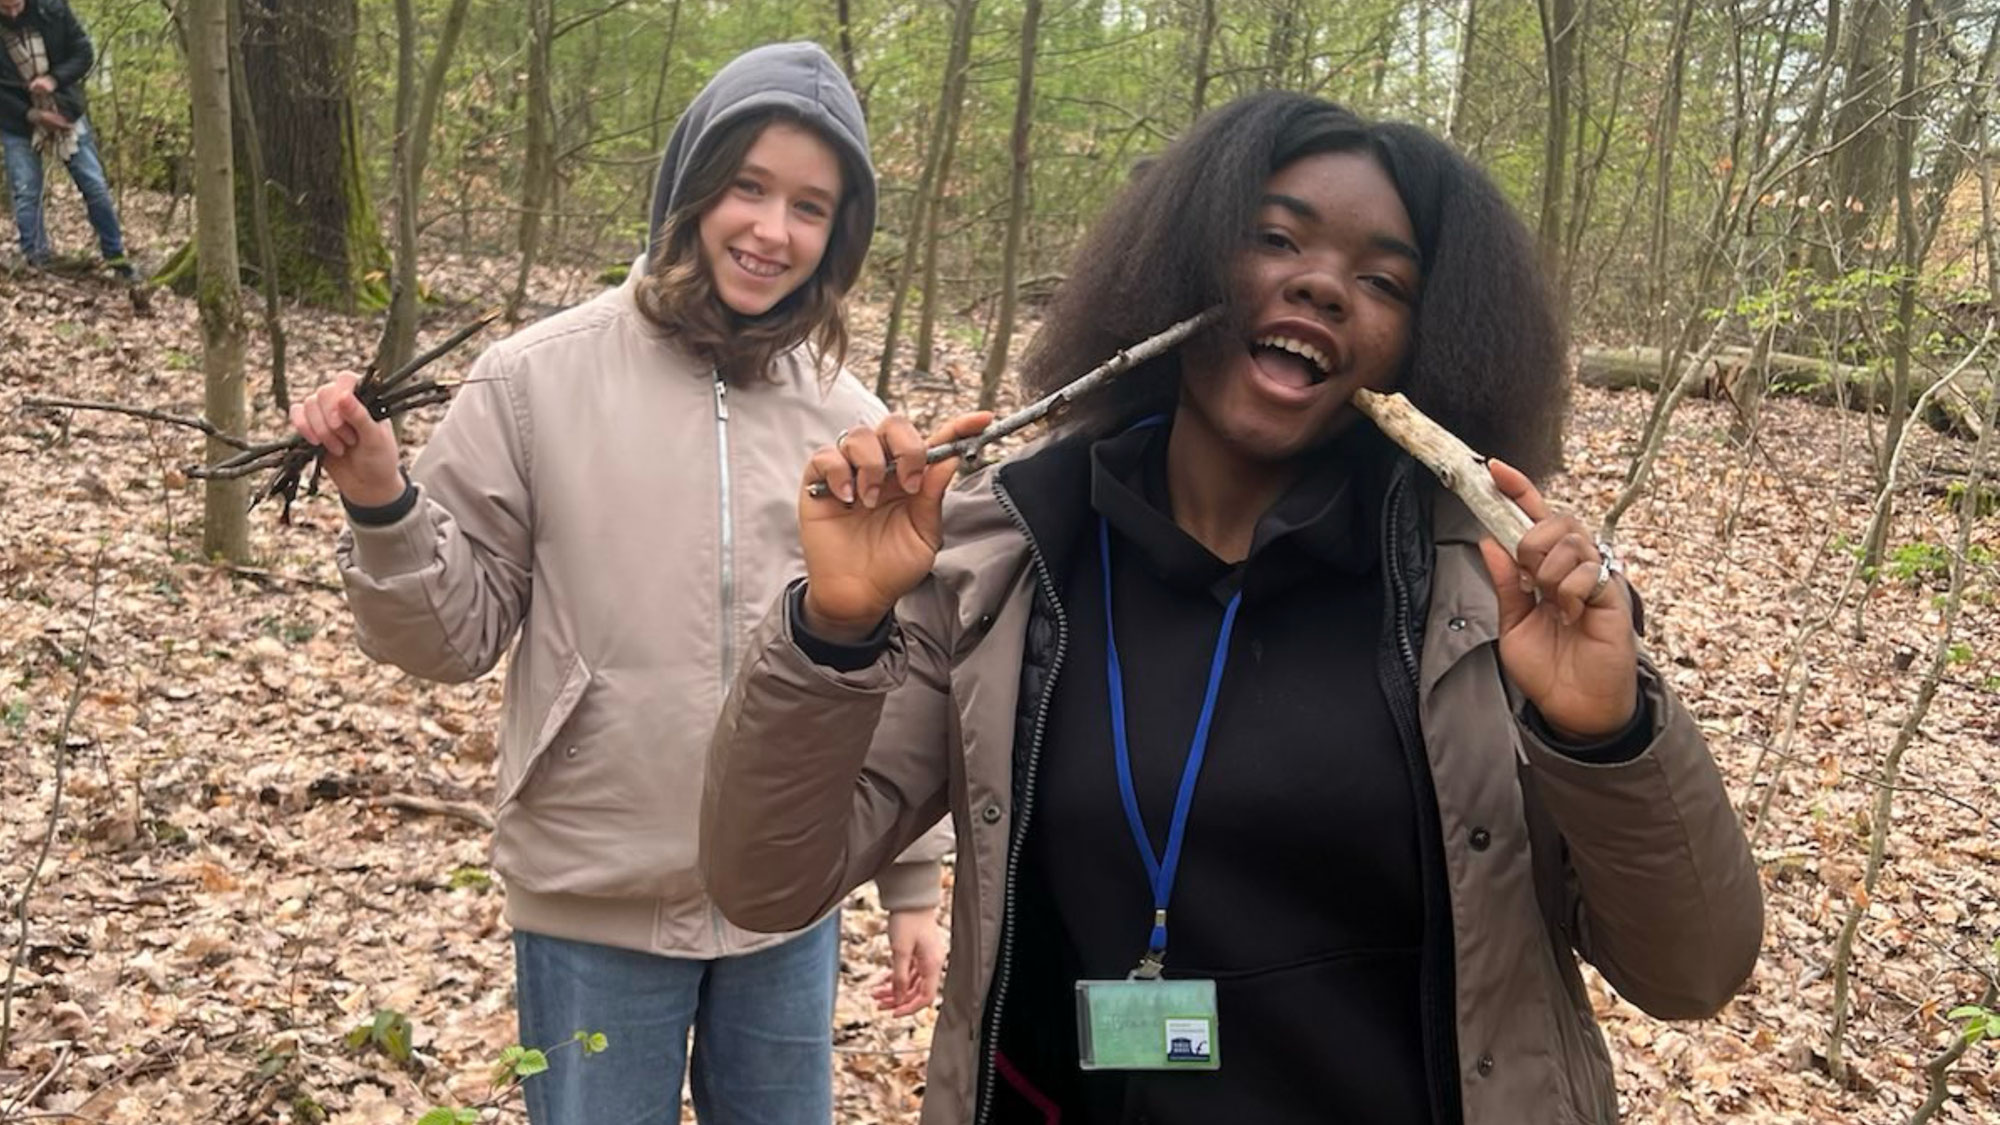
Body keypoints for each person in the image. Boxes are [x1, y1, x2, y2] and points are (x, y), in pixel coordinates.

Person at [701, 91, 1763, 1124]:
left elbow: (1691, 973)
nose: (1323, 285)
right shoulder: (1007, 554)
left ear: (1423, 340)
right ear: (1183, 265)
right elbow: (763, 885)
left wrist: (1607, 734)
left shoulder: (1486, 588)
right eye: (1274, 238)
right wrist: (835, 630)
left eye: (1382, 281)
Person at [287, 42, 947, 1125]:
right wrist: (381, 501)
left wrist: (910, 883)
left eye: (810, 207)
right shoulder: (533, 380)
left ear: (840, 236)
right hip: (592, 896)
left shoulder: (855, 423)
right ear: (691, 189)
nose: (771, 230)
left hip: (787, 906)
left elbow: (888, 670)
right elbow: (444, 639)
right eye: (747, 187)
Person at [0, 0, 130, 276]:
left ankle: (116, 256)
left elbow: (83, 52)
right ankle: (36, 259)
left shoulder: (53, 10)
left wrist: (54, 80)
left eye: (16, 6)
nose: (12, 13)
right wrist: (32, 114)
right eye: (5, 8)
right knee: (26, 192)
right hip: (16, 119)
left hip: (65, 108)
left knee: (94, 185)